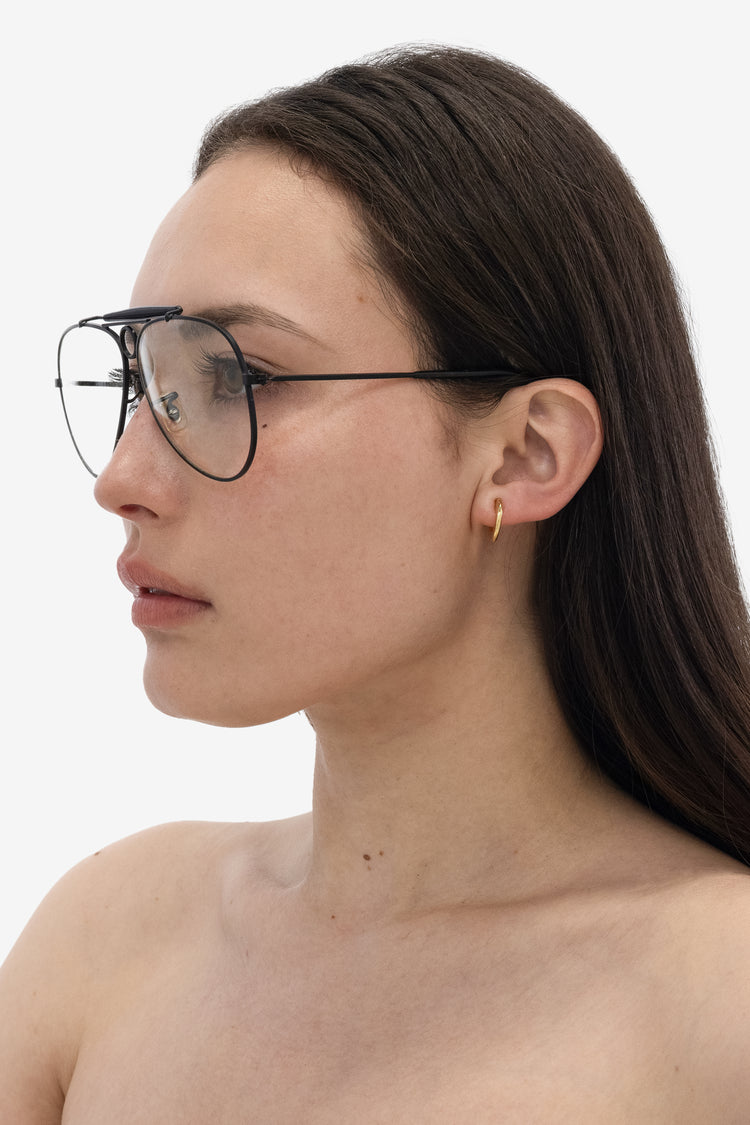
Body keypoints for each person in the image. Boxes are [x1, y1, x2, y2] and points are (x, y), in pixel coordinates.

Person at [3, 44, 750, 1122]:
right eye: (145, 385)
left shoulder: (718, 1001)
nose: (123, 480)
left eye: (237, 378)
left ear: (525, 453)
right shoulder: (105, 942)